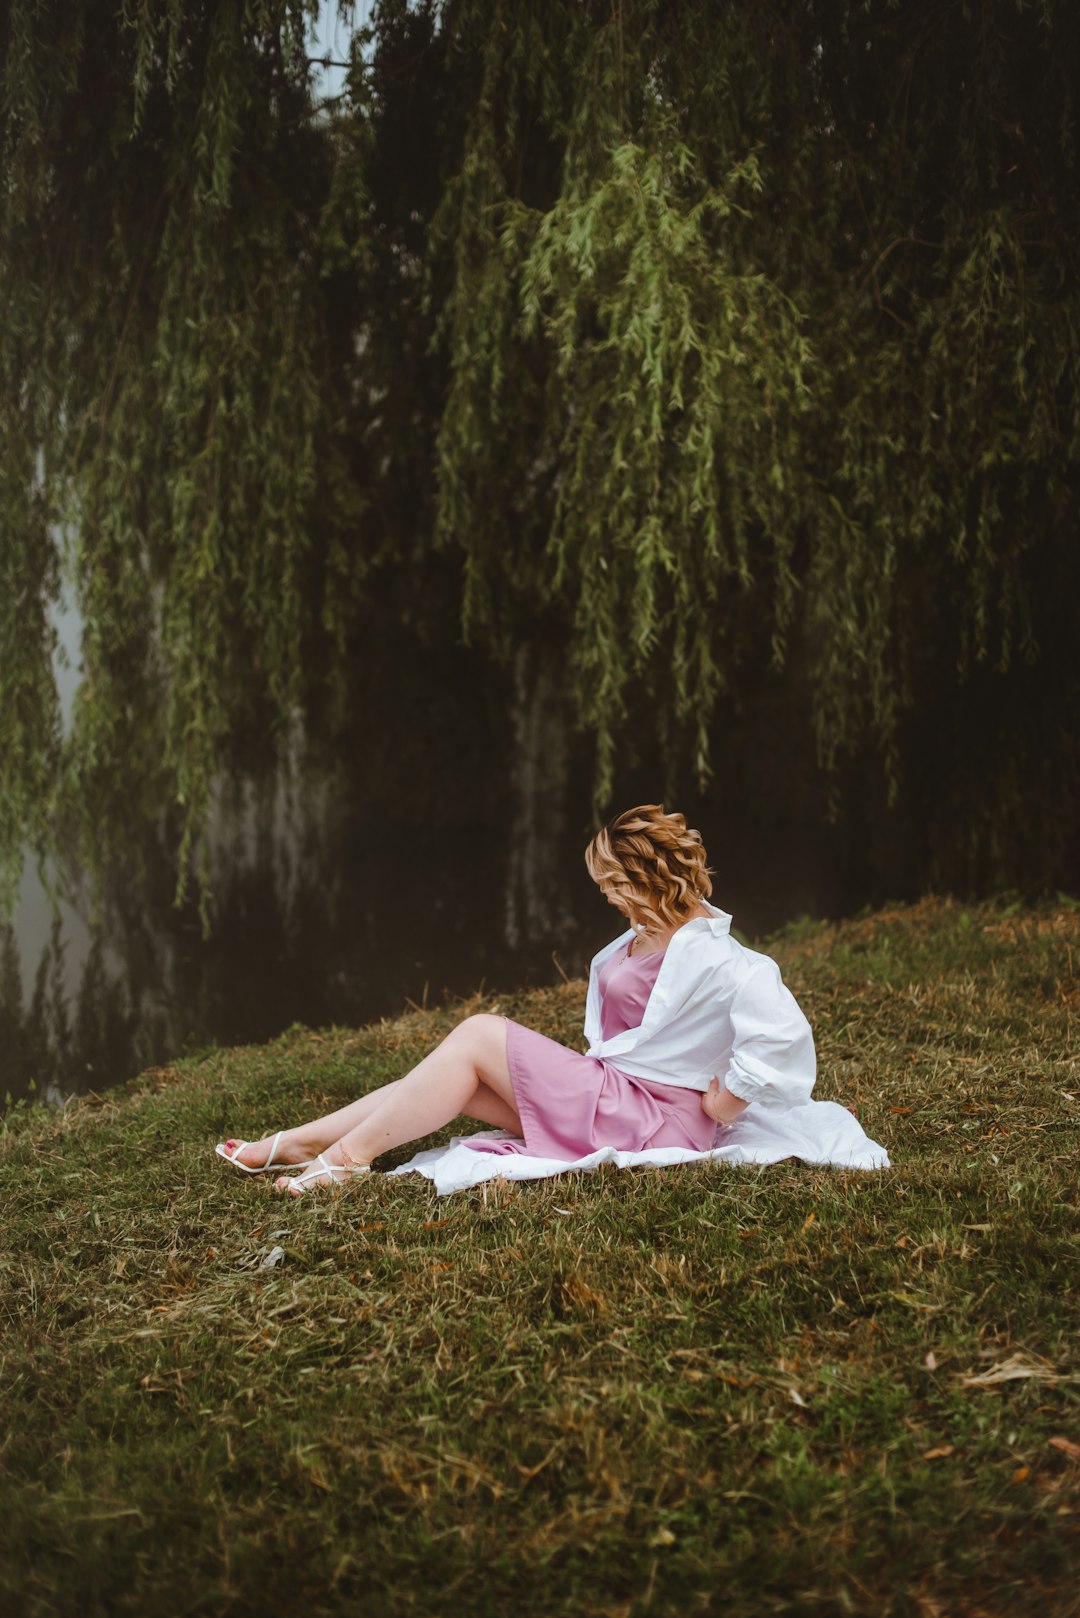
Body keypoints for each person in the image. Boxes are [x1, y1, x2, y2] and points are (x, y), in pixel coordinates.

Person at [215, 804, 819, 1196]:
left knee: (478, 1034)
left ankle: (345, 1160)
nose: (606, 897)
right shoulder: (646, 931)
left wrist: (729, 1104)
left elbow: (782, 1034)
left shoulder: (720, 956)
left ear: (646, 879)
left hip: (655, 1118)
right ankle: (295, 1143)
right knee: (450, 1081)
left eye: (612, 885)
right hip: (613, 1094)